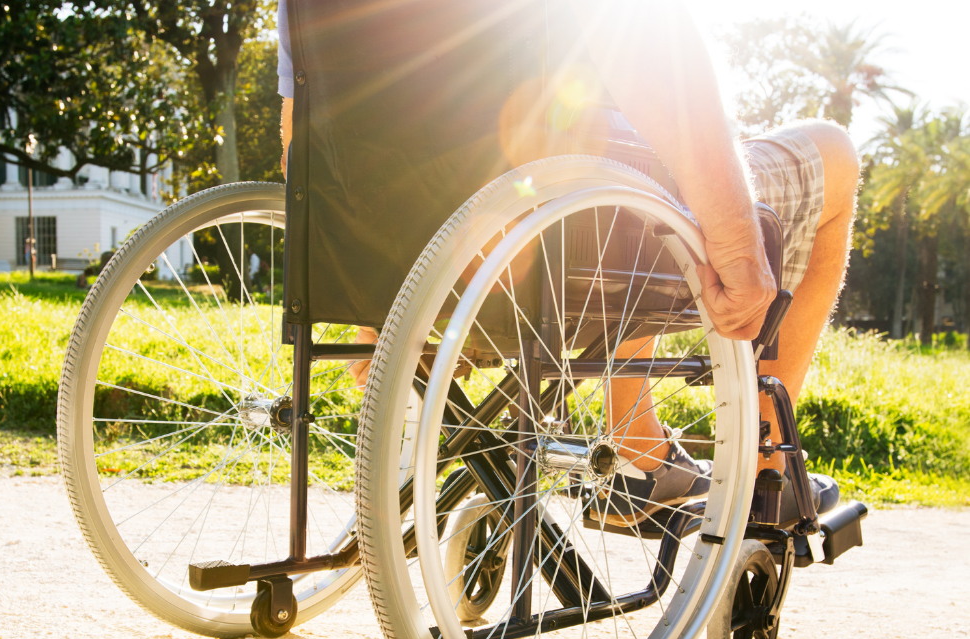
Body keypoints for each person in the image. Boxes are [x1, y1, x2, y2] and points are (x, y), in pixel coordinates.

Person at [276, 0, 859, 526]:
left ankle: (641, 446)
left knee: (625, 170)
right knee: (831, 153)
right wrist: (735, 236)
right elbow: (646, 44)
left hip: (454, 259)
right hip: (560, 242)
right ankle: (764, 470)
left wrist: (386, 289)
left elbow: (302, 141)